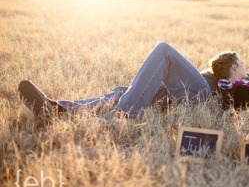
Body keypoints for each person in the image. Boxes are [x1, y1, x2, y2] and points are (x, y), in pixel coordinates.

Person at [18, 42, 219, 121]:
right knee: (122, 92)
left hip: (201, 96)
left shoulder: (246, 83)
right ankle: (55, 109)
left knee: (164, 50)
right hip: (171, 95)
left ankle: (124, 114)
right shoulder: (226, 71)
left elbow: (248, 108)